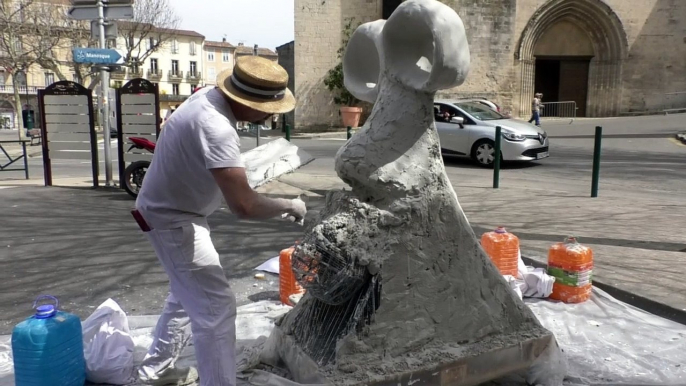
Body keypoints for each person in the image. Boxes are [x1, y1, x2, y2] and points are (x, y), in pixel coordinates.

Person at [133, 56, 306, 386]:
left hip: (174, 210)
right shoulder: (217, 127)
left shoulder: (206, 99)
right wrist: (289, 204)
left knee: (185, 296)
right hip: (174, 219)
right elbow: (244, 205)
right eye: (270, 109)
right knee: (216, 310)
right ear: (248, 102)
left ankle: (155, 371)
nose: (271, 117)